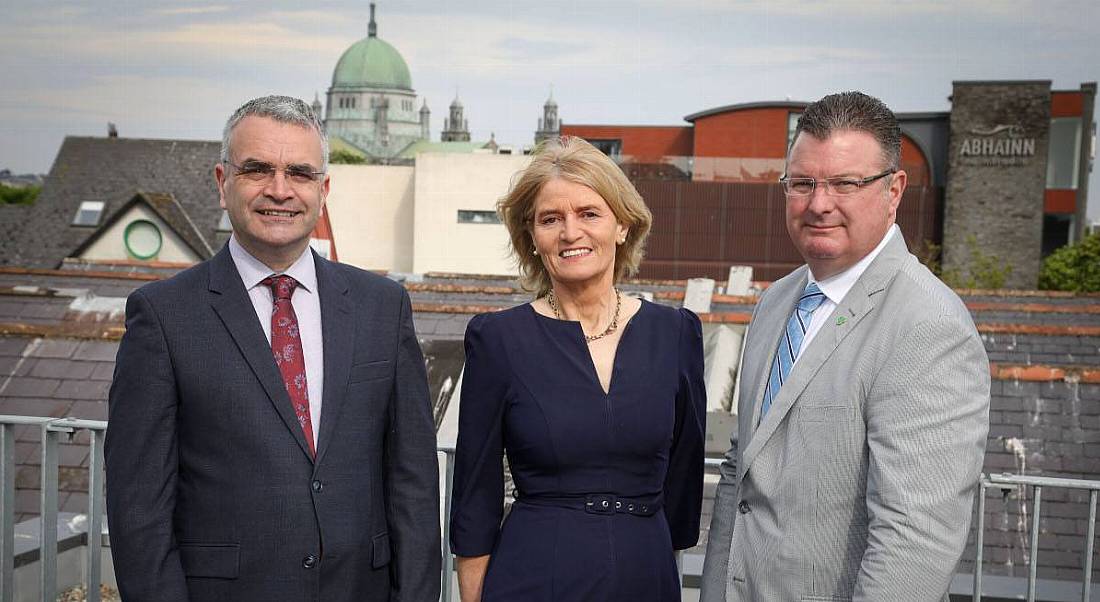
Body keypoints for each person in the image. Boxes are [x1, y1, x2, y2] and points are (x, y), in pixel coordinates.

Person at [104, 95, 441, 602]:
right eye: (258, 169)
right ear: (223, 182)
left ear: (323, 190)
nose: (279, 191)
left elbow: (413, 481)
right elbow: (139, 507)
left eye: (300, 173)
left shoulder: (383, 306)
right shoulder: (162, 316)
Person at [699, 91, 990, 601]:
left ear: (894, 190)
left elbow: (915, 539)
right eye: (802, 183)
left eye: (844, 183)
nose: (818, 203)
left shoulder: (928, 327)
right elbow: (740, 473)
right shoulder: (776, 303)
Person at [449, 136, 706, 602]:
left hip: (646, 573)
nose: (571, 233)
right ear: (531, 236)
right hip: (534, 576)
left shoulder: (676, 334)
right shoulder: (499, 341)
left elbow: (685, 481)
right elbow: (474, 493)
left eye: (589, 213)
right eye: (551, 219)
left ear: (623, 226)